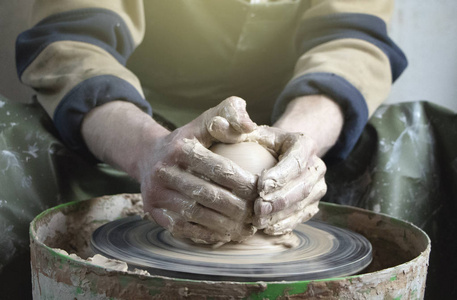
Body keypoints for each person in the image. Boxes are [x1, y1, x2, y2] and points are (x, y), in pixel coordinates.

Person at [2, 0, 413, 297]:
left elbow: (353, 40)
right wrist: (148, 152)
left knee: (426, 139)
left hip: (296, 121)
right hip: (124, 124)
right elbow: (73, 40)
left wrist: (295, 150)